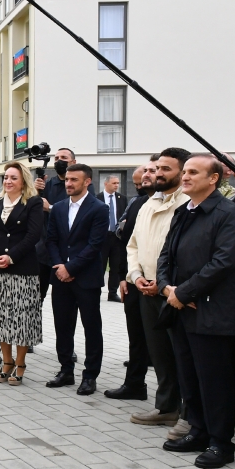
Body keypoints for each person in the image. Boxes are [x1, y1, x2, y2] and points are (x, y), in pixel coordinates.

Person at [158, 155, 235, 469]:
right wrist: (167, 288)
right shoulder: (184, 211)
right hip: (180, 308)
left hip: (210, 310)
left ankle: (220, 443)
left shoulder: (230, 214)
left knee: (214, 380)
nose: (185, 177)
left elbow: (224, 262)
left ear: (214, 179)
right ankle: (197, 431)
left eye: (193, 172)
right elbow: (166, 254)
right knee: (189, 376)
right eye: (184, 171)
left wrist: (184, 292)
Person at [124, 148, 191, 435]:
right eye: (157, 168)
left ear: (182, 171)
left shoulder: (188, 203)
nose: (159, 173)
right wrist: (136, 276)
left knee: (183, 355)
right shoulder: (148, 203)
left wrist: (163, 284)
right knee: (160, 353)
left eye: (166, 169)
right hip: (145, 288)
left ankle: (189, 413)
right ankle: (166, 408)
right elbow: (134, 245)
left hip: (174, 292)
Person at [44, 163, 109, 396]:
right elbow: (51, 240)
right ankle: (66, 370)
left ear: (87, 182)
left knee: (91, 328)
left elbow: (95, 245)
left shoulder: (99, 208)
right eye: (67, 180)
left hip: (86, 278)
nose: (68, 183)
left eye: (74, 180)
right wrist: (60, 267)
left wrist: (71, 267)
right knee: (63, 326)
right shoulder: (59, 208)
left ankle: (90, 376)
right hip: (60, 278)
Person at [0, 162, 44, 386]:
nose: (8, 181)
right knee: (1, 319)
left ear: (23, 181)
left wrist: (11, 257)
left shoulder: (33, 202)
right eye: (6, 177)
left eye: (13, 178)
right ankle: (6, 362)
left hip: (22, 270)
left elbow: (33, 235)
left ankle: (20, 364)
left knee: (22, 320)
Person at [104, 162, 155, 400]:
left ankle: (172, 400)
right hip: (134, 280)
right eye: (144, 173)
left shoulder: (180, 203)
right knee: (136, 337)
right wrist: (125, 276)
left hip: (161, 284)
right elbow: (126, 242)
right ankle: (135, 384)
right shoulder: (137, 203)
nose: (146, 176)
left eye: (154, 171)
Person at [34, 147, 76, 303]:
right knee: (36, 299)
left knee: (62, 302)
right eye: (56, 158)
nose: (59, 161)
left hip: (65, 254)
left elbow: (75, 215)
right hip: (43, 251)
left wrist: (50, 208)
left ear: (73, 162)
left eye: (64, 158)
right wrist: (36, 192)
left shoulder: (81, 187)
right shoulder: (49, 184)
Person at [97, 174, 127, 302]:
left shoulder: (122, 198)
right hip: (102, 237)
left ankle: (112, 292)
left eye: (118, 183)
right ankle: (96, 291)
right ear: (106, 183)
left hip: (116, 236)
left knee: (116, 265)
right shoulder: (97, 198)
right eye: (114, 183)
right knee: (100, 265)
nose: (116, 185)